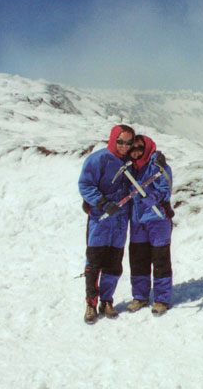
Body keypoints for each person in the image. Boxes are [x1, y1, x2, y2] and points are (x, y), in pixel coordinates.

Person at [78, 124, 135, 324]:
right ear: (112, 139)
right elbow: (85, 184)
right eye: (120, 141)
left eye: (128, 142)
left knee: (113, 263)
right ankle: (91, 304)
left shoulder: (130, 160)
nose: (124, 146)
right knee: (94, 263)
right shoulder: (98, 159)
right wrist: (101, 202)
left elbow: (146, 159)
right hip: (100, 220)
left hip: (120, 221)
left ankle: (107, 301)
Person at [126, 134, 174, 316]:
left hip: (157, 219)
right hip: (138, 220)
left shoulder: (158, 166)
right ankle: (140, 296)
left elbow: (165, 188)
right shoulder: (130, 168)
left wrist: (153, 198)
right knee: (138, 260)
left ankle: (162, 299)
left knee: (160, 259)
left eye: (140, 148)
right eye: (133, 148)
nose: (136, 152)